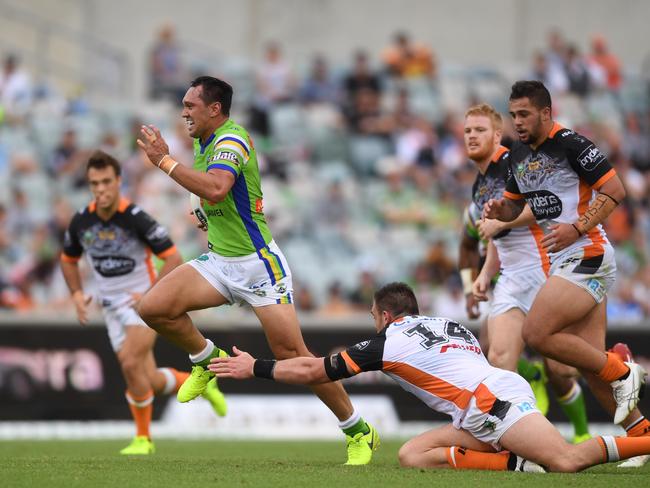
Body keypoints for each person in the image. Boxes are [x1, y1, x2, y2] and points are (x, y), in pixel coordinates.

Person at [136, 76, 379, 465]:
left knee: (293, 353)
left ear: (215, 109)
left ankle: (358, 429)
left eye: (190, 105)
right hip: (219, 262)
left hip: (259, 267)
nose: (183, 112)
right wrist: (207, 216)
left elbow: (216, 188)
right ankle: (204, 359)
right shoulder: (203, 141)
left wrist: (165, 162)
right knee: (153, 308)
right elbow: (221, 198)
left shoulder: (231, 140)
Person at [209, 282, 650, 472]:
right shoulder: (448, 325)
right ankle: (519, 463)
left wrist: (256, 367)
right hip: (483, 402)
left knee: (568, 462)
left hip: (489, 404)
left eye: (372, 317)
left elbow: (314, 369)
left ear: (383, 315)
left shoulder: (388, 340)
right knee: (414, 455)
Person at [483, 80, 647, 429]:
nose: (518, 122)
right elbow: (515, 209)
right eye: (513, 115)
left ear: (546, 112)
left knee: (536, 334)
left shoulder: (571, 145)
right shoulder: (518, 155)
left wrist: (577, 227)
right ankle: (641, 433)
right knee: (589, 366)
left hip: (588, 253)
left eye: (525, 114)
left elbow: (614, 189)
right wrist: (501, 211)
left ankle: (622, 370)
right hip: (566, 260)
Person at [60, 151, 227, 455]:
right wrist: (75, 294)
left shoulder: (135, 218)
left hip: (141, 308)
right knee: (146, 378)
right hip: (112, 308)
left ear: (118, 181)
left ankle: (143, 439)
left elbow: (173, 257)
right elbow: (68, 259)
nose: (101, 189)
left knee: (129, 362)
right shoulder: (81, 221)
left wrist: (151, 293)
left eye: (106, 181)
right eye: (94, 183)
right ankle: (199, 382)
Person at [465, 103, 591, 443]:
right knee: (499, 357)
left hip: (545, 270)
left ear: (495, 135)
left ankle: (581, 431)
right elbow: (495, 235)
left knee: (563, 370)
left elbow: (544, 204)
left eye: (479, 130)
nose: (471, 136)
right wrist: (483, 275)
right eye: (467, 131)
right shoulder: (479, 185)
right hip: (511, 277)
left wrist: (499, 221)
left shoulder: (513, 162)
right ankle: (513, 441)